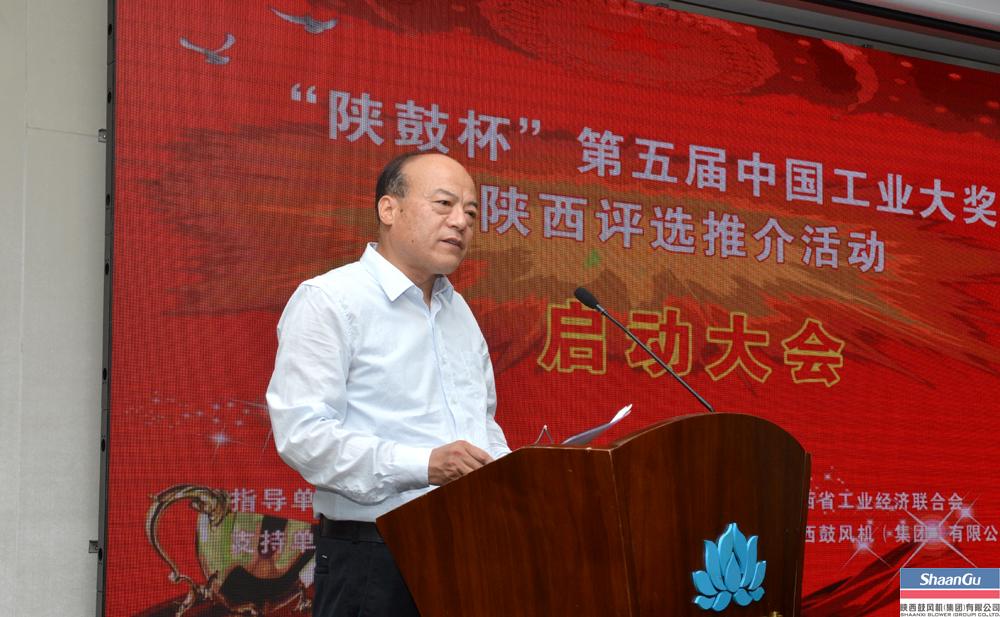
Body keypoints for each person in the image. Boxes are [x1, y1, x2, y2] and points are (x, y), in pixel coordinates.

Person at [266, 152, 510, 617]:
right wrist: (425, 465)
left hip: (468, 550)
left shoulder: (460, 313)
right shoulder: (331, 300)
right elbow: (304, 436)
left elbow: (481, 423)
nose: (461, 222)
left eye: (472, 212)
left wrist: (509, 471)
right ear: (389, 209)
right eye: (444, 204)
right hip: (374, 558)